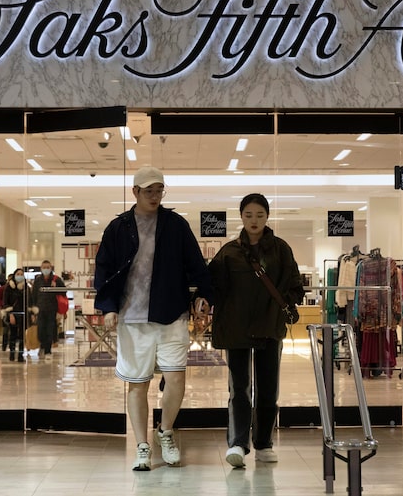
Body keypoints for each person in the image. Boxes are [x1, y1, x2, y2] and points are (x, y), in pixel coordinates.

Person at [94, 166, 212, 471]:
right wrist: (108, 306)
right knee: (138, 383)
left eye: (159, 190)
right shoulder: (118, 228)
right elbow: (103, 270)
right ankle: (142, 446)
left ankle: (165, 432)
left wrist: (203, 295)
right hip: (132, 318)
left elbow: (197, 266)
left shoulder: (176, 225)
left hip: (171, 313)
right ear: (135, 192)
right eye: (149, 191)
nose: (155, 196)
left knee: (176, 379)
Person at [208, 193, 304, 469]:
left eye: (260, 215)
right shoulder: (229, 251)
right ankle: (237, 443)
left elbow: (294, 283)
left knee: (268, 388)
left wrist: (285, 303)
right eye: (248, 215)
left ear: (267, 217)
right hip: (236, 327)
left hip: (269, 325)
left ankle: (263, 443)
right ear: (241, 217)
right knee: (239, 388)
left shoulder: (280, 249)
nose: (254, 220)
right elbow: (213, 285)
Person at [31, 259, 65, 361]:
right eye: (44, 267)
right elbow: (33, 295)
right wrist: (33, 309)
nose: (46, 269)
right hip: (40, 309)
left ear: (51, 268)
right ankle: (42, 345)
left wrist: (57, 287)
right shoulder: (37, 280)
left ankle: (47, 351)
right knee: (41, 330)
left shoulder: (56, 280)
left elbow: (64, 292)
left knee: (50, 330)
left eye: (48, 267)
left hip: (52, 309)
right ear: (41, 269)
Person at [2, 268, 30, 363]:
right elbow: (5, 303)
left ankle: (21, 355)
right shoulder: (9, 287)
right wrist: (10, 314)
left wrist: (31, 313)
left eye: (21, 274)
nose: (20, 276)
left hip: (23, 314)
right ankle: (12, 354)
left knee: (22, 336)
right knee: (12, 335)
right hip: (13, 314)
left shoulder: (26, 287)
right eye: (18, 274)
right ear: (14, 275)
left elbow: (29, 302)